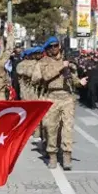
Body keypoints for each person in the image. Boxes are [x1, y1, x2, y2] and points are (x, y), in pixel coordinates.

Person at [31, 36, 87, 170]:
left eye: (56, 46)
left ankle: (67, 156)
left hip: (67, 97)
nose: (54, 49)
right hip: (52, 97)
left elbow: (71, 78)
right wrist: (61, 66)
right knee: (51, 128)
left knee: (67, 127)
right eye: (51, 47)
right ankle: (52, 155)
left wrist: (79, 82)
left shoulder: (66, 61)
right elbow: (43, 77)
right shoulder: (43, 62)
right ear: (47, 49)